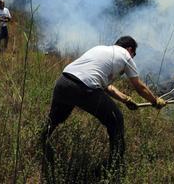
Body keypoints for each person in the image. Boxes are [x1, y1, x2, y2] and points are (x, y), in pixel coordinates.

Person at [41, 36, 166, 179]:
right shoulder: (126, 56)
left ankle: (42, 139)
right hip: (84, 88)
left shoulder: (100, 49)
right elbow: (139, 87)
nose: (133, 57)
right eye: (134, 54)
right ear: (130, 49)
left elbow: (106, 86)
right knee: (116, 120)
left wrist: (125, 99)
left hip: (63, 82)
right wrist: (155, 101)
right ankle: (115, 168)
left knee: (56, 117)